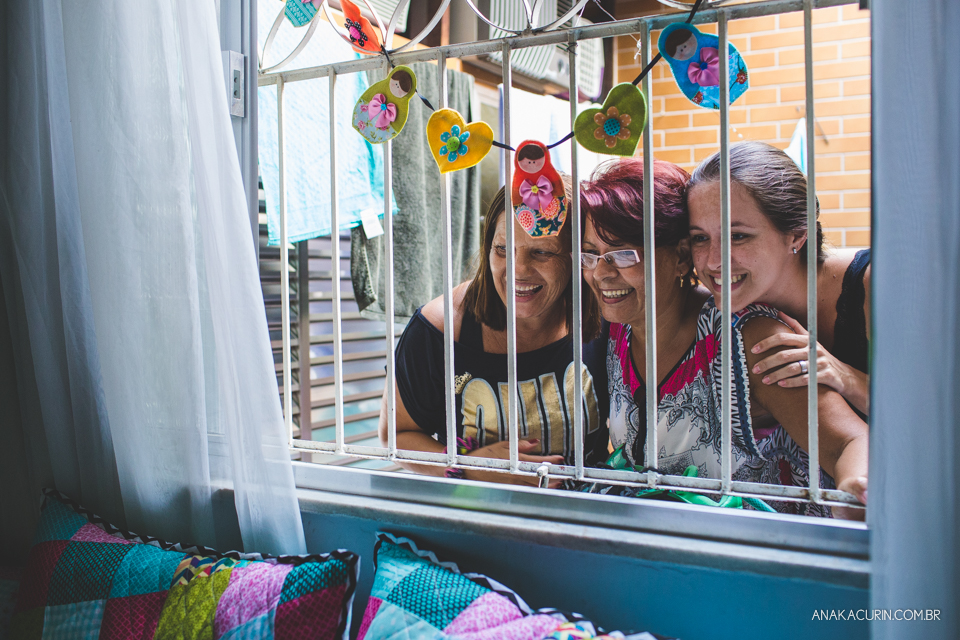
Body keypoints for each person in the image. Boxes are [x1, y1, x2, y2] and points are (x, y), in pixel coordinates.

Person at [580, 157, 868, 517]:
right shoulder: (619, 327)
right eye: (591, 254)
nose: (602, 273)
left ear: (682, 257)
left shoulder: (748, 337)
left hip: (761, 559)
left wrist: (855, 486)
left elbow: (850, 441)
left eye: (623, 254)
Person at [379, 182, 608, 486]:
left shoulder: (609, 312)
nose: (518, 270)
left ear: (578, 255)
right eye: (502, 250)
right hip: (481, 520)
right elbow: (396, 436)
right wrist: (468, 468)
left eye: (541, 252)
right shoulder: (439, 329)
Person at [686, 142, 870, 416]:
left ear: (797, 233)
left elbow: (941, 416)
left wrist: (847, 378)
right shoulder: (717, 314)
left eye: (738, 236)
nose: (713, 261)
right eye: (700, 238)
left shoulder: (875, 285)